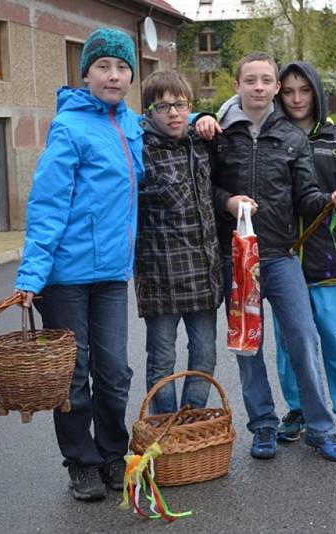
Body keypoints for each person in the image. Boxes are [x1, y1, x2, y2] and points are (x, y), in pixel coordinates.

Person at [203, 51, 336, 462]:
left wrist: (330, 200)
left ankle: (322, 429)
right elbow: (208, 190)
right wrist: (228, 201)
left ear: (274, 88)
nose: (258, 87)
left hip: (280, 257)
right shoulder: (218, 135)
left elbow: (306, 197)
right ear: (237, 85)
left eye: (265, 80)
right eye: (250, 80)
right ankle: (264, 426)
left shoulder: (292, 137)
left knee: (304, 339)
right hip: (239, 260)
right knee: (248, 347)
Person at [14, 27, 142, 502]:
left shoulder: (131, 125)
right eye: (104, 66)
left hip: (111, 274)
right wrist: (31, 275)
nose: (113, 75)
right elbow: (47, 204)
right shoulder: (69, 126)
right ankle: (81, 462)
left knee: (115, 372)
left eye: (122, 67)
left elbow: (177, 124)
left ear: (131, 74)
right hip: (66, 277)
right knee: (73, 373)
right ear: (86, 73)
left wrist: (208, 116)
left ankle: (112, 452)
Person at [270, 61, 336, 447]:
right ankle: (298, 408)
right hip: (284, 264)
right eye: (288, 91)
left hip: (331, 263)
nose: (297, 99)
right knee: (290, 344)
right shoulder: (270, 138)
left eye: (304, 90)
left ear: (316, 92)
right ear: (278, 94)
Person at [135, 70, 222, 415]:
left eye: (180, 105)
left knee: (204, 353)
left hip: (202, 272)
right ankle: (164, 428)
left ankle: (191, 421)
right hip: (160, 277)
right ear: (148, 112)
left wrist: (207, 118)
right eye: (163, 106)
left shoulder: (202, 143)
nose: (173, 112)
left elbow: (232, 114)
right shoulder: (138, 148)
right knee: (162, 359)